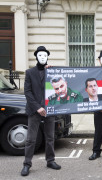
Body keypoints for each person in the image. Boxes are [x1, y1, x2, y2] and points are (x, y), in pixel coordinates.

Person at [21, 46, 61, 176]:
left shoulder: (51, 72)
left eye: (45, 55)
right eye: (40, 55)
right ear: (36, 57)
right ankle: (27, 164)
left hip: (49, 108)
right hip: (34, 110)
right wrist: (37, 107)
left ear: (48, 57)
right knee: (31, 139)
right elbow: (27, 92)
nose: (43, 57)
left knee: (50, 137)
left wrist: (53, 71)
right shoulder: (29, 72)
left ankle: (50, 160)